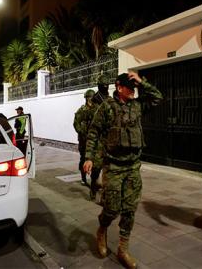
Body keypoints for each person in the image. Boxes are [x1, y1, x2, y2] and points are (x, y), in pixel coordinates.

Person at [84, 71, 162, 269]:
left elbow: (158, 98)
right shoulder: (107, 107)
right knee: (111, 208)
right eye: (130, 87)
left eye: (134, 87)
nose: (133, 90)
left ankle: (122, 249)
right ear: (119, 88)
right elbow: (93, 131)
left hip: (133, 166)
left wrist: (141, 81)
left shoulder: (137, 106)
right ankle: (102, 230)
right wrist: (89, 158)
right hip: (114, 166)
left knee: (129, 210)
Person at [89, 75, 111, 200]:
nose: (105, 87)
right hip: (98, 141)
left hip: (108, 140)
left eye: (106, 85)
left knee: (108, 169)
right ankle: (93, 187)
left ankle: (105, 195)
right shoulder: (94, 100)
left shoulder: (109, 99)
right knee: (96, 168)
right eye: (103, 85)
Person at [73, 89, 96, 186]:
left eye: (91, 98)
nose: (90, 100)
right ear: (86, 99)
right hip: (83, 140)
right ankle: (83, 178)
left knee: (95, 159)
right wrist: (81, 132)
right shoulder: (81, 110)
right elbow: (76, 123)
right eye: (88, 98)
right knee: (83, 159)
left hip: (94, 139)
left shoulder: (97, 109)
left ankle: (94, 179)